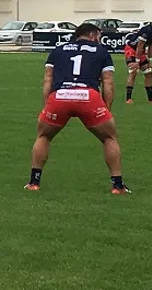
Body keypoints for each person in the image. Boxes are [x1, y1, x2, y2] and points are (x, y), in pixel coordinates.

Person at [27, 22, 129, 194]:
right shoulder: (101, 51)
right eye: (98, 36)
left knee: (44, 136)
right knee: (109, 138)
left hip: (59, 96)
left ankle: (33, 183)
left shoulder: (58, 50)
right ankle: (117, 186)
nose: (99, 39)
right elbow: (108, 82)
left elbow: (48, 79)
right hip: (88, 97)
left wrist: (49, 104)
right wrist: (106, 108)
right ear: (91, 35)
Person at [123, 13, 152, 104]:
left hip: (140, 51)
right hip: (131, 50)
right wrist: (137, 61)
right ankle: (128, 99)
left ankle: (151, 99)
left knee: (148, 73)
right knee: (133, 71)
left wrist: (149, 60)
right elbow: (139, 46)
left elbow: (151, 45)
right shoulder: (147, 30)